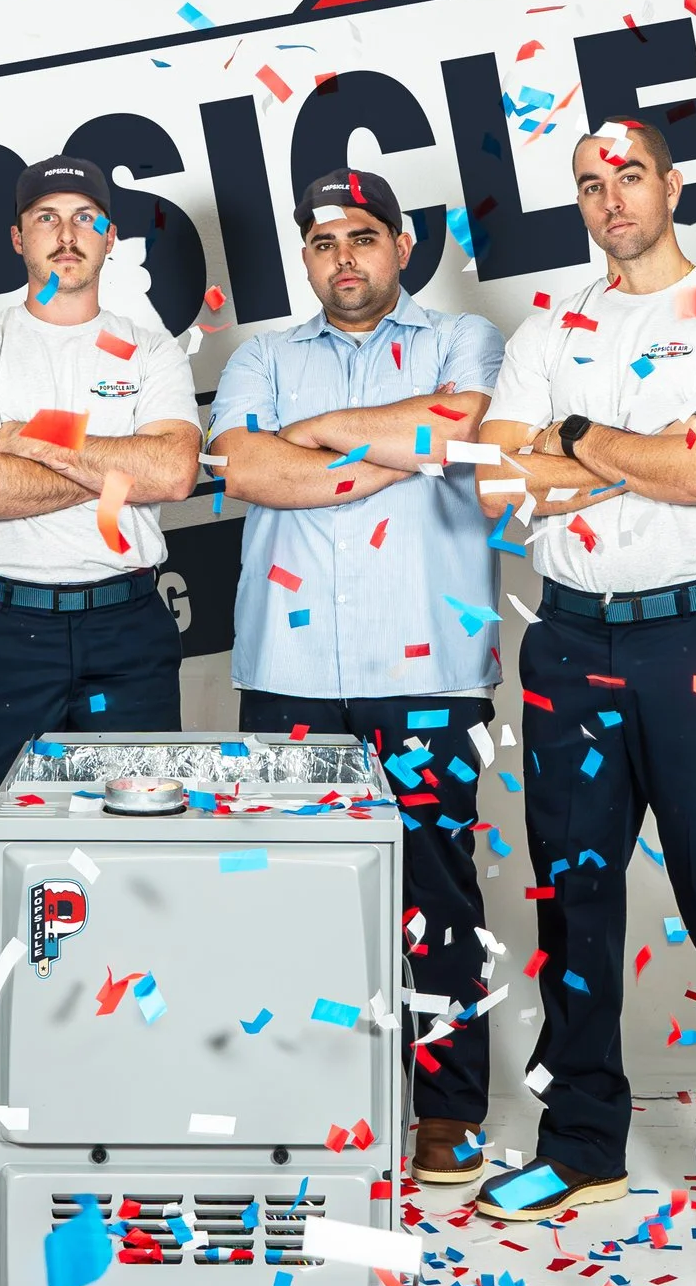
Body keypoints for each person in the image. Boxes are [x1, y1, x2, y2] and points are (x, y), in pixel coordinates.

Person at [468, 119, 696, 1254]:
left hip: (693, 640)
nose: (611, 198)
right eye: (590, 184)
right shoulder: (547, 322)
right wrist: (635, 450)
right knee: (573, 895)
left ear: (673, 184)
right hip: (565, 643)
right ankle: (580, 1139)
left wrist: (570, 438)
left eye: (630, 176)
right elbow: (494, 488)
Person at [207, 168, 506, 1186]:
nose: (344, 257)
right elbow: (245, 469)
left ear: (402, 243)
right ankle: (315, 1096)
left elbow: (461, 427)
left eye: (363, 236)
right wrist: (399, 443)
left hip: (428, 660)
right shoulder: (260, 356)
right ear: (305, 255)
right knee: (292, 893)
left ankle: (449, 1105)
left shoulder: (462, 340)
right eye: (324, 239)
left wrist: (320, 435)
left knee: (439, 890)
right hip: (289, 671)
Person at [0, 156, 203, 1184]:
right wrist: (105, 455)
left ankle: (121, 1079)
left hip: (127, 626)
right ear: (20, 238)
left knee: (132, 864)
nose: (67, 235)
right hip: (4, 628)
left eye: (86, 218)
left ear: (108, 239)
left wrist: (30, 441)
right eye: (47, 218)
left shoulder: (149, 345)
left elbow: (171, 472)